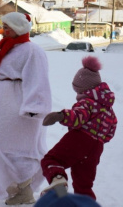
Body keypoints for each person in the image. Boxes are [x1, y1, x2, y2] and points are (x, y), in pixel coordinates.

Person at [0, 12, 52, 205]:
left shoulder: (32, 50)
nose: (3, 31)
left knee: (20, 148)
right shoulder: (6, 48)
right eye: (3, 26)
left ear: (19, 28)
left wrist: (35, 107)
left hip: (18, 106)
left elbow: (37, 78)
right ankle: (17, 185)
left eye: (7, 27)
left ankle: (25, 188)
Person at [41, 56, 116, 201]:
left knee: (51, 160)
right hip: (96, 148)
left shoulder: (87, 102)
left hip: (80, 139)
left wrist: (61, 115)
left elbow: (78, 116)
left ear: (85, 88)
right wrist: (97, 139)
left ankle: (58, 186)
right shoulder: (107, 109)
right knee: (84, 184)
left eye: (77, 89)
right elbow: (111, 130)